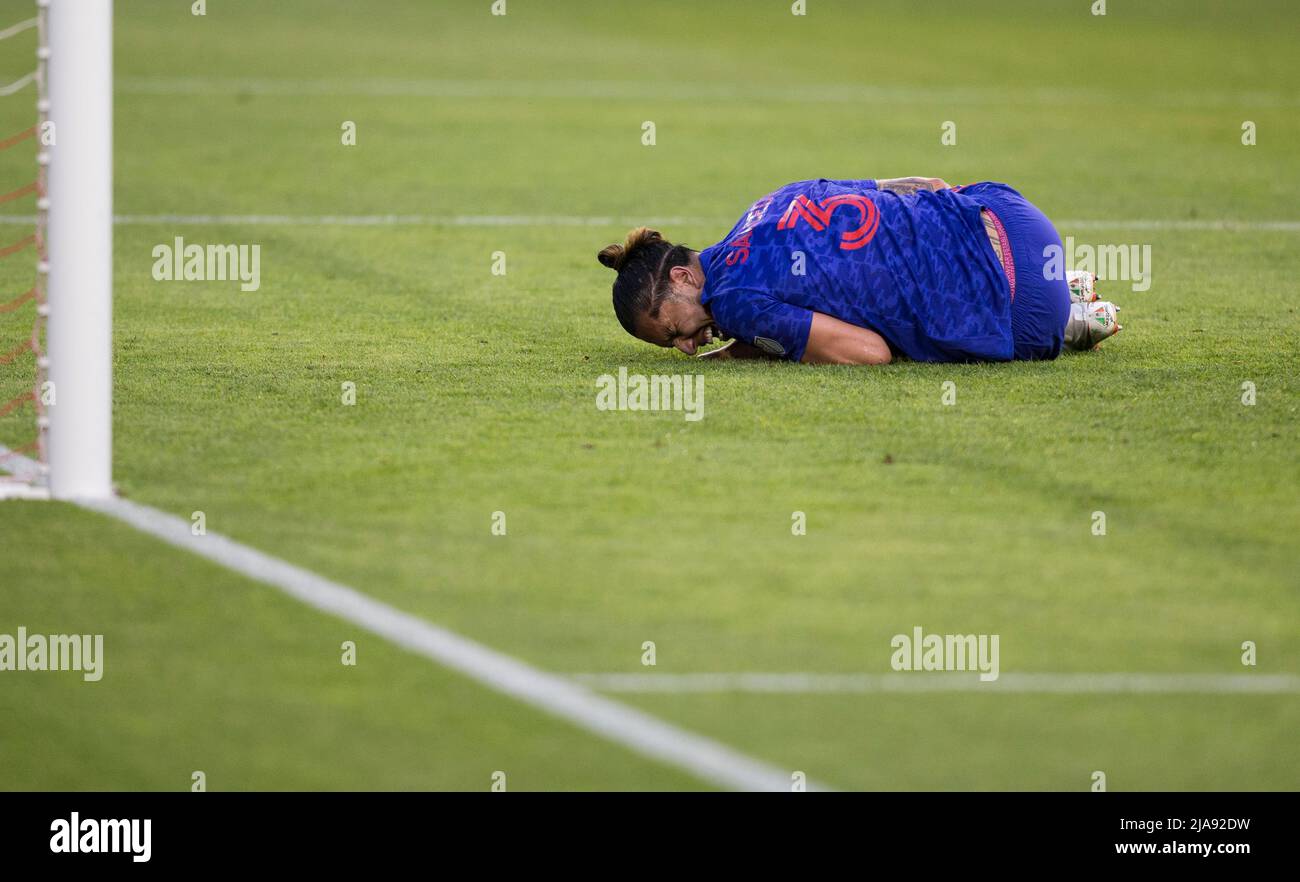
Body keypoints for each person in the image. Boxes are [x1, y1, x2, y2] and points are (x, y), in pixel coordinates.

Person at [596, 177, 1121, 364]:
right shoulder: (766, 203)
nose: (689, 346)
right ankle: (1067, 281)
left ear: (685, 279)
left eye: (674, 331)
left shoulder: (733, 300)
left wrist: (749, 350)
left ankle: (1070, 317)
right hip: (1011, 212)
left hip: (1024, 309)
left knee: (943, 322)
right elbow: (926, 183)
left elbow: (871, 354)